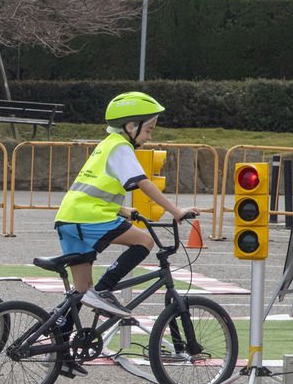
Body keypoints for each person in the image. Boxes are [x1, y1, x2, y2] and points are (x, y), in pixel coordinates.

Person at [55, 91, 199, 319]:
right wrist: (176, 211)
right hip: (88, 218)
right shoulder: (121, 147)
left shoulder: (106, 144)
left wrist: (122, 210)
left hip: (68, 218)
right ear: (131, 126)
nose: (149, 136)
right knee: (145, 241)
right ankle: (104, 290)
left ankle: (59, 344)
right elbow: (143, 183)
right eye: (149, 130)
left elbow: (93, 190)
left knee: (80, 291)